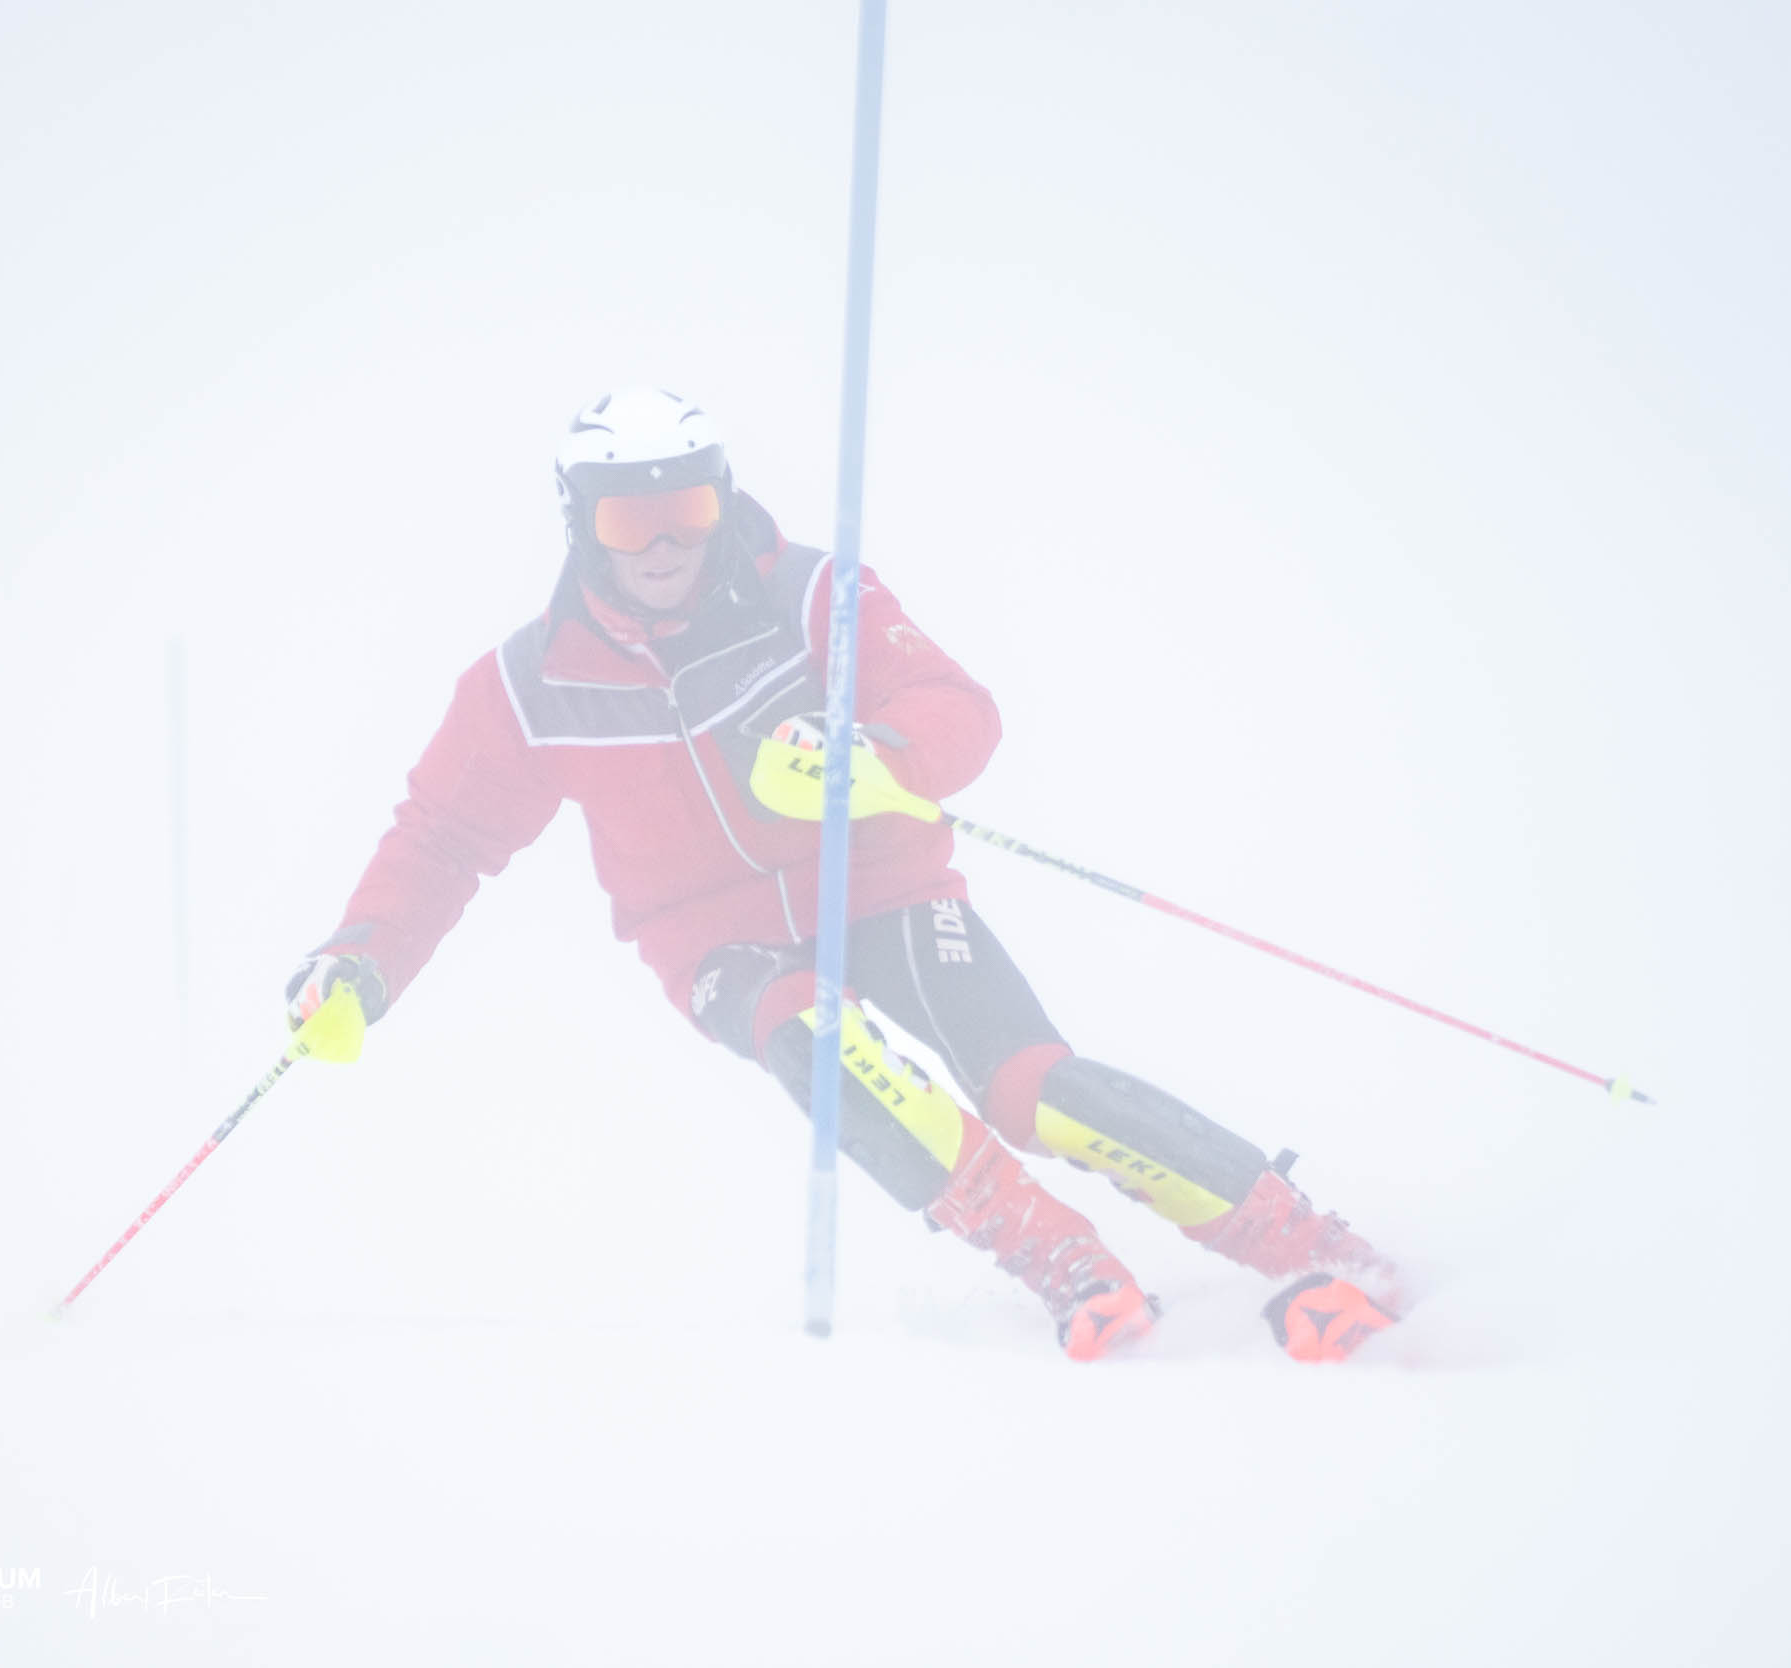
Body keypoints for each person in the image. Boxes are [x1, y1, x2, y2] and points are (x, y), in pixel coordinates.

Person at [286, 387, 1408, 1362]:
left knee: (1031, 1089)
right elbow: (441, 838)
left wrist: (875, 757)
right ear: (583, 527)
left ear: (722, 500)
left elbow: (956, 706)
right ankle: (1066, 1265)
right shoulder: (530, 686)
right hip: (716, 941)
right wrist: (360, 962)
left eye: (689, 509)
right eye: (631, 518)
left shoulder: (809, 597)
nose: (664, 543)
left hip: (882, 888)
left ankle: (1311, 1245)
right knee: (817, 1039)